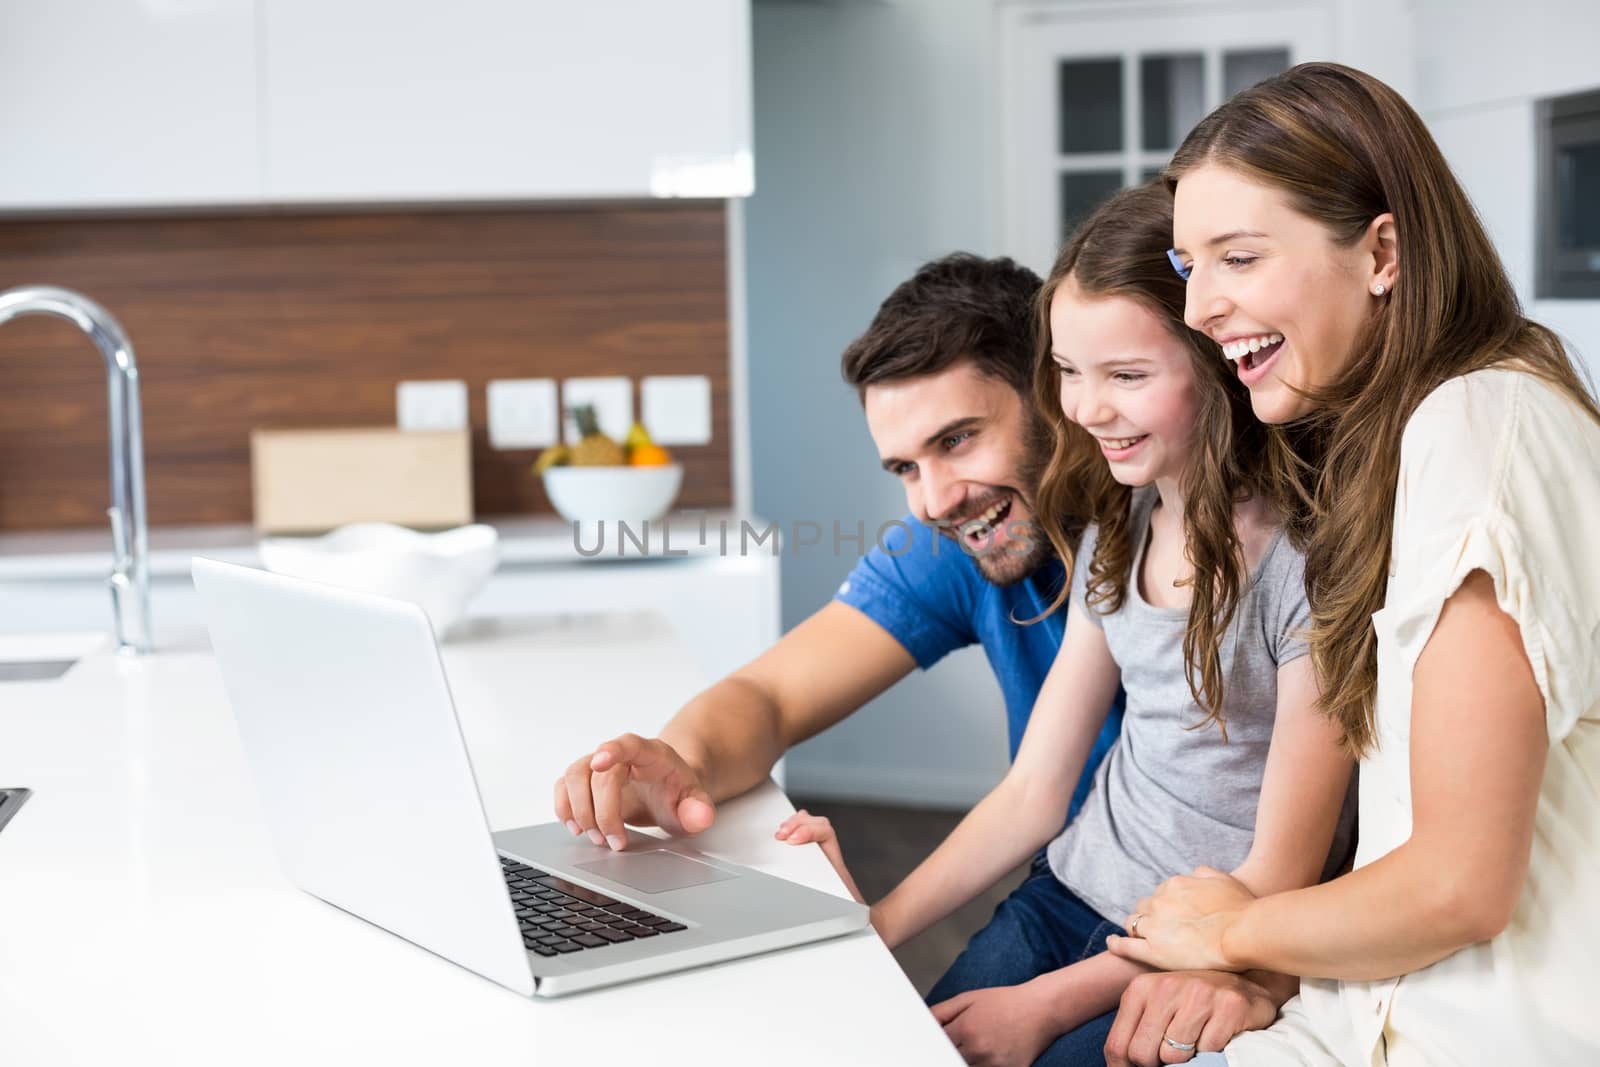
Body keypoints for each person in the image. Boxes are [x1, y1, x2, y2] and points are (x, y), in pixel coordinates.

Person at [782, 182, 1356, 1067]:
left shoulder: (1303, 569)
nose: (1085, 409)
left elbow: (1274, 883)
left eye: (1125, 376)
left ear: (1216, 359)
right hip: (1063, 891)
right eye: (1070, 373)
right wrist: (871, 928)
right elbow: (1032, 794)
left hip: (1187, 948)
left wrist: (1046, 1005)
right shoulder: (1114, 531)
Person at [1107, 62, 1600, 1067]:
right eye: (1187, 263)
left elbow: (1459, 884)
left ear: (1382, 251)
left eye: (1237, 257)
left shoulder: (1476, 425)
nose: (1199, 307)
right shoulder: (1421, 428)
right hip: (1381, 1000)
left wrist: (1232, 929)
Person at [553, 253, 1122, 848]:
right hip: (1065, 886)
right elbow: (770, 697)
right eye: (905, 468)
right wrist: (679, 766)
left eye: (956, 439)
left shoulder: (1176, 531)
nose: (935, 502)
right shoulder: (960, 542)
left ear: (1053, 396)